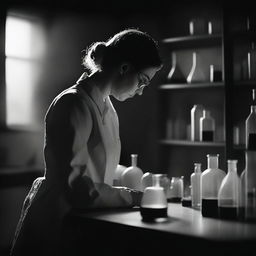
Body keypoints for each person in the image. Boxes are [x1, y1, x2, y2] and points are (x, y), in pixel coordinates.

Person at [10, 28, 162, 256]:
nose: (140, 91)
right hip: (60, 220)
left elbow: (98, 165)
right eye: (142, 81)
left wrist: (141, 179)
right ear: (124, 68)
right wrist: (134, 196)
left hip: (86, 219)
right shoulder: (73, 104)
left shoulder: (107, 108)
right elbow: (77, 187)